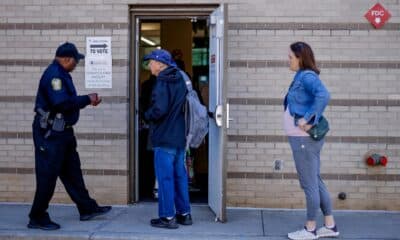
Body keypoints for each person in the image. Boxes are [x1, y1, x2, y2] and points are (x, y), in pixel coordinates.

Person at [28, 42, 112, 231]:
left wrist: (85, 101)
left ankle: (87, 208)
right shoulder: (54, 75)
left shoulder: (62, 73)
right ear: (66, 59)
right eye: (76, 61)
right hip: (50, 135)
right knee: (47, 176)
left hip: (63, 133)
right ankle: (37, 216)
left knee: (73, 172)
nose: (77, 64)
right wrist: (87, 99)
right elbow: (61, 104)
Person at [284, 41, 339, 240]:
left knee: (309, 184)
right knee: (315, 181)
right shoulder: (301, 75)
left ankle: (310, 228)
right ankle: (330, 225)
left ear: (300, 58)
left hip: (304, 139)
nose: (288, 60)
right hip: (303, 139)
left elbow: (323, 95)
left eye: (290, 57)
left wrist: (307, 119)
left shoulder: (306, 76)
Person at [143, 49, 192, 229]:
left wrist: (147, 114)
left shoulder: (163, 81)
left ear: (160, 64)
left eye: (150, 62)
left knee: (165, 178)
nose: (149, 66)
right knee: (180, 176)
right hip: (180, 136)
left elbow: (159, 110)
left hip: (164, 137)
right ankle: (184, 214)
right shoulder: (181, 77)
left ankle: (167, 217)